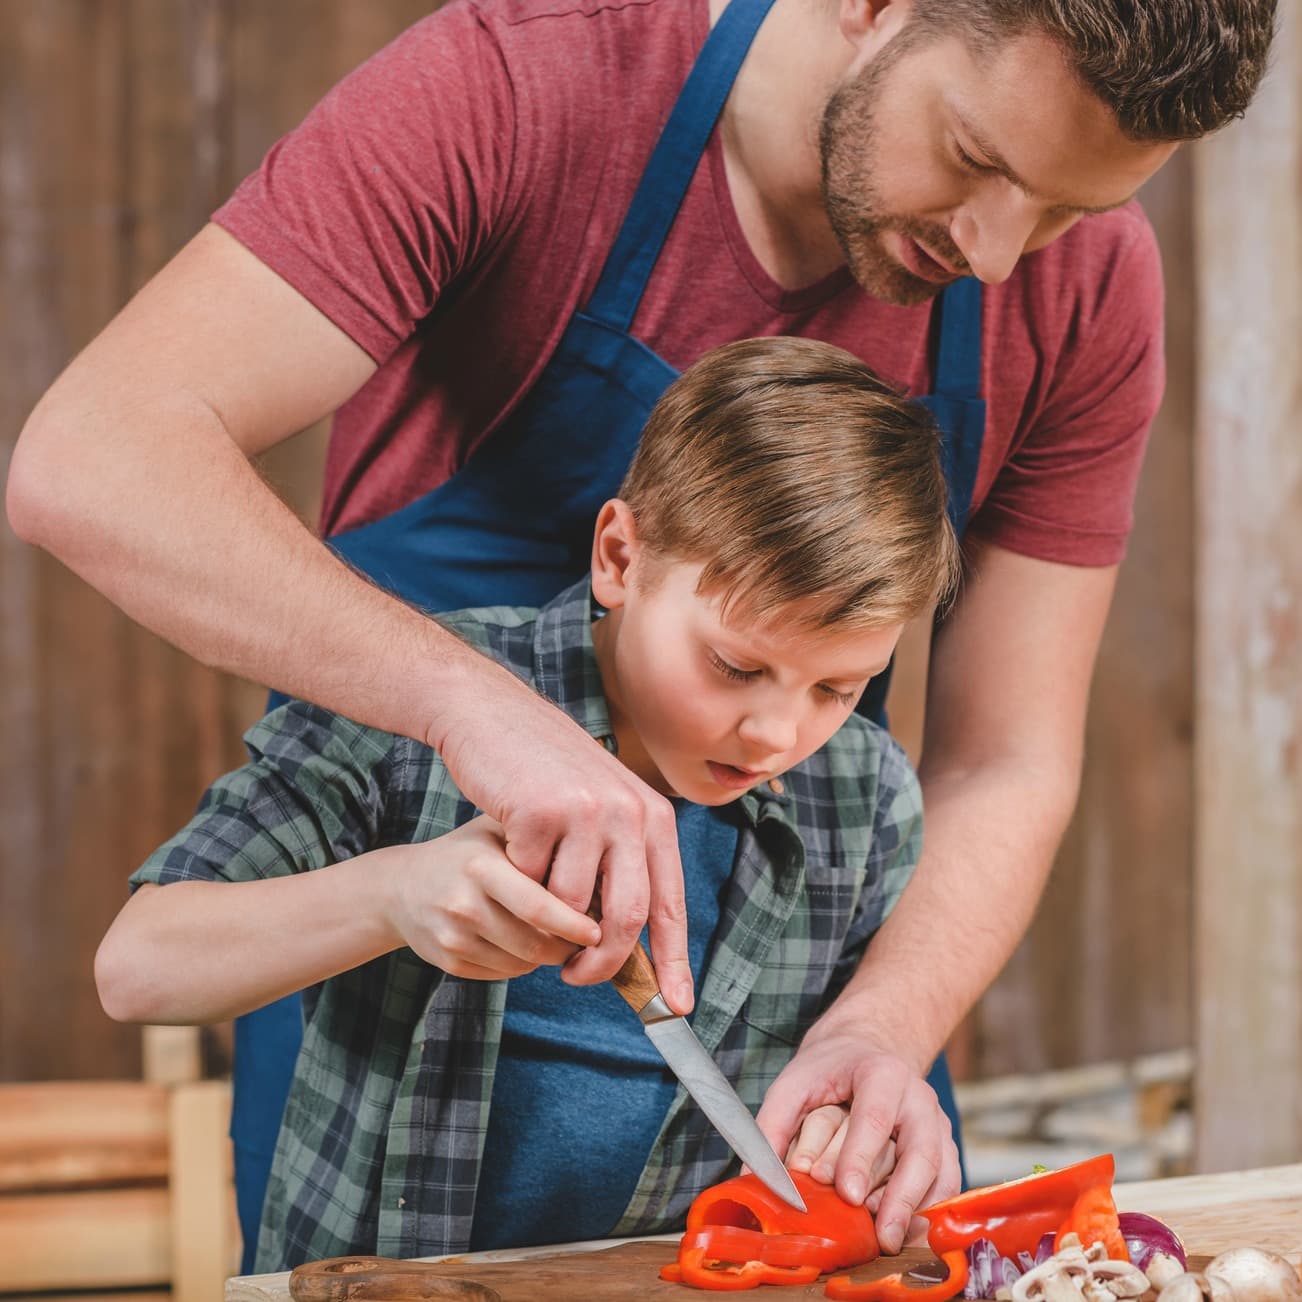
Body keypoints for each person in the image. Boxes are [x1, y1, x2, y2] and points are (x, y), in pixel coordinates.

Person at [6, 0, 1276, 1273]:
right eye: (978, 159)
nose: (1001, 254)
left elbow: (1006, 760)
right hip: (420, 1029)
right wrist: (485, 717)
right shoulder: (526, 86)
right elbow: (93, 458)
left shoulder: (1081, 291)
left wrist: (881, 1029)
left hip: (798, 1009)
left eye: (1064, 208)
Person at [95, 338, 962, 1271]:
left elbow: (850, 1077)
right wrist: (394, 896)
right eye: (736, 666)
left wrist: (860, 1124)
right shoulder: (411, 706)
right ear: (620, 558)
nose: (774, 734)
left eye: (836, 689)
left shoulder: (863, 798)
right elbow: (137, 968)